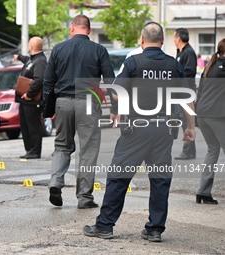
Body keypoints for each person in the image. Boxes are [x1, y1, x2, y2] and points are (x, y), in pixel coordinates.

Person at [83, 22, 196, 242]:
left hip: (135, 129)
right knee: (160, 180)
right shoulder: (174, 64)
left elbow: (116, 94)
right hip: (164, 129)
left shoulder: (133, 62)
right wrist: (190, 127)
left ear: (141, 40)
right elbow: (186, 98)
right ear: (162, 41)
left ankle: (105, 226)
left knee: (118, 178)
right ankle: (154, 229)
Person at [43, 14, 115, 209]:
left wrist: (50, 110)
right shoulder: (99, 50)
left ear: (72, 28)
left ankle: (55, 182)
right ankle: (84, 197)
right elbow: (109, 81)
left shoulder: (58, 49)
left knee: (61, 146)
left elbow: (48, 82)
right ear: (89, 30)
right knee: (88, 150)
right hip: (89, 102)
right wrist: (115, 109)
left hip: (63, 102)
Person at [195, 38, 225, 205]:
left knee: (212, 150)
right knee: (214, 150)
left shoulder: (209, 66)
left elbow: (200, 93)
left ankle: (203, 192)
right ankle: (203, 192)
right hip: (217, 116)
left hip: (203, 114)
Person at [13, 37, 47, 159]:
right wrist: (19, 57)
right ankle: (29, 150)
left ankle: (35, 151)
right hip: (24, 100)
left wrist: (29, 94)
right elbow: (27, 59)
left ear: (31, 47)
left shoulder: (41, 61)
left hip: (32, 101)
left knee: (33, 126)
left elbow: (39, 80)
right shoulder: (32, 59)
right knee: (25, 125)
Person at [173, 28, 197, 160]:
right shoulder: (181, 52)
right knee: (183, 121)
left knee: (186, 121)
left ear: (178, 38)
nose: (173, 40)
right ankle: (189, 150)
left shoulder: (189, 52)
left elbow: (189, 72)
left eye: (174, 37)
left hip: (186, 92)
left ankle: (188, 151)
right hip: (180, 92)